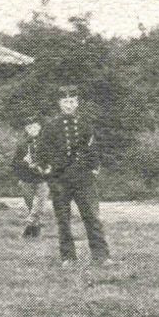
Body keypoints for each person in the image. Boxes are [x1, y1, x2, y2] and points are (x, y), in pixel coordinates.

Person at [39, 85, 111, 264]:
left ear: (77, 103)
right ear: (59, 103)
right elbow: (42, 151)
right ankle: (68, 257)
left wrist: (94, 168)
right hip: (60, 179)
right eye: (65, 101)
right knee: (63, 220)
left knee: (92, 217)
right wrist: (48, 170)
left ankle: (101, 256)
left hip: (83, 178)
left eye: (72, 101)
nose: (68, 105)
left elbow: (94, 149)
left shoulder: (85, 125)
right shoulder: (51, 127)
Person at [13, 119, 52, 238]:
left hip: (42, 179)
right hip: (27, 179)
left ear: (39, 128)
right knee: (32, 207)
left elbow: (52, 161)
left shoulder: (46, 143)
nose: (32, 130)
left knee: (39, 205)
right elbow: (14, 164)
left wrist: (46, 169)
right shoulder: (22, 144)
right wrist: (24, 163)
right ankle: (35, 234)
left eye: (35, 127)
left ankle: (27, 229)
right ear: (26, 129)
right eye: (29, 128)